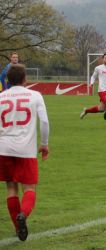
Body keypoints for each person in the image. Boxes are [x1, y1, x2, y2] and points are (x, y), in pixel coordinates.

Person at [0, 64, 49, 241]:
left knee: (11, 188)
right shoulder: (35, 95)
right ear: (24, 79)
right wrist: (44, 144)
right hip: (26, 149)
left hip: (4, 148)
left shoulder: (1, 97)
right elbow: (44, 122)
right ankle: (23, 215)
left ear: (7, 80)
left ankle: (17, 226)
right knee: (29, 188)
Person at [80, 53, 106, 129]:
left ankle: (86, 111)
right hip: (102, 90)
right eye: (105, 58)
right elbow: (93, 76)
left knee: (101, 109)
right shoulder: (98, 68)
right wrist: (91, 83)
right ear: (103, 59)